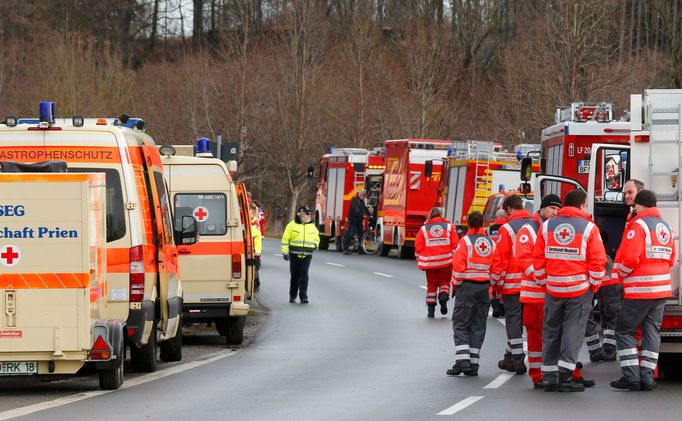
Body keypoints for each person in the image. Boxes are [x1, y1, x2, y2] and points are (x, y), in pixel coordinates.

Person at [533, 189, 606, 392]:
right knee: (572, 333)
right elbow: (598, 261)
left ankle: (549, 377)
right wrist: (594, 285)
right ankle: (565, 377)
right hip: (579, 290)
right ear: (582, 205)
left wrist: (543, 281)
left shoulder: (547, 225)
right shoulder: (589, 228)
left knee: (551, 332)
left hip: (553, 288)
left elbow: (538, 257)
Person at [611, 190, 676, 391]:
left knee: (623, 330)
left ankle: (631, 376)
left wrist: (619, 274)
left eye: (635, 206)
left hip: (641, 289)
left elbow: (630, 258)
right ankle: (647, 377)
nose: (634, 209)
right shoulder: (666, 227)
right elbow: (671, 259)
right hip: (661, 289)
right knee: (652, 332)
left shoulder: (639, 225)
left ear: (641, 205)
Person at [447, 211, 495, 376]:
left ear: (468, 224)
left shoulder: (465, 242)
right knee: (478, 324)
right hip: (484, 288)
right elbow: (495, 267)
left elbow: (458, 268)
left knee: (461, 323)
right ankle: (473, 363)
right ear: (482, 224)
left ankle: (463, 360)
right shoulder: (490, 243)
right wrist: (492, 285)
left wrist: (456, 285)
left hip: (467, 286)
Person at [491, 195, 531, 374]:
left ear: (508, 209)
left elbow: (500, 258)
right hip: (532, 283)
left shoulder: (506, 229)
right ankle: (509, 357)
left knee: (513, 320)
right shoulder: (533, 225)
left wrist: (495, 284)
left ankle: (517, 359)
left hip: (513, 283)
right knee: (528, 321)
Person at [415, 207, 458, 318]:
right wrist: (454, 259)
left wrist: (420, 260)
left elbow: (418, 247)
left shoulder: (424, 229)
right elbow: (455, 245)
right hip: (446, 261)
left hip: (430, 263)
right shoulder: (450, 227)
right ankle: (443, 296)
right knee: (444, 282)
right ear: (441, 215)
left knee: (432, 285)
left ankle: (431, 309)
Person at [281, 206, 320, 303]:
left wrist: (315, 245)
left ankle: (303, 297)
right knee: (294, 276)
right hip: (294, 255)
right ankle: (292, 295)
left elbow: (316, 238)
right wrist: (285, 253)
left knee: (304, 274)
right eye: (305, 215)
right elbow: (285, 240)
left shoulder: (312, 226)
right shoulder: (291, 225)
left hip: (307, 255)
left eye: (308, 214)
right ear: (299, 215)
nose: (307, 216)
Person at [487, 208, 508, 318]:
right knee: (502, 283)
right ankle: (501, 304)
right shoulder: (508, 228)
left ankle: (494, 305)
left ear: (496, 218)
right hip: (504, 259)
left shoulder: (488, 230)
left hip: (492, 259)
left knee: (492, 283)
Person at [343, 189, 372, 254]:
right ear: (360, 195)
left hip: (359, 220)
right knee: (350, 234)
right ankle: (345, 249)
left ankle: (360, 249)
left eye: (365, 196)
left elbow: (365, 209)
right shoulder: (354, 200)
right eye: (363, 195)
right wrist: (362, 215)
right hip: (353, 220)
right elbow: (356, 209)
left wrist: (370, 215)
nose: (364, 197)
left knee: (361, 234)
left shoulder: (362, 202)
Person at [249, 202, 263, 292]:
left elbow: (249, 235)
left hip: (255, 252)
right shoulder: (252, 222)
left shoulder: (254, 224)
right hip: (255, 251)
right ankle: (255, 286)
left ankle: (255, 286)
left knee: (254, 270)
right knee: (254, 270)